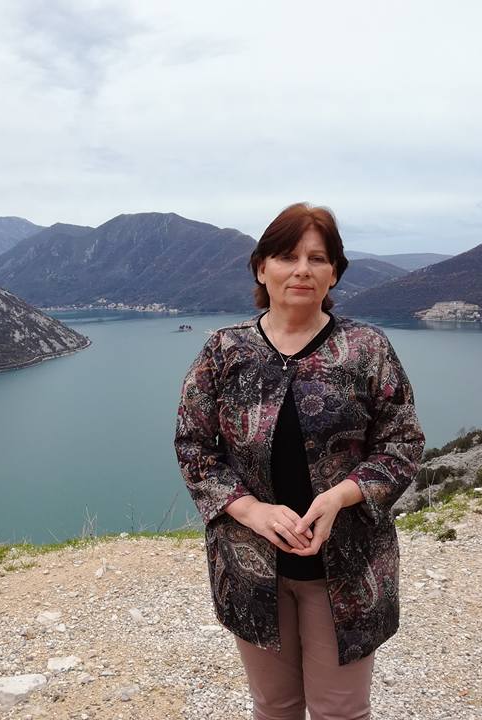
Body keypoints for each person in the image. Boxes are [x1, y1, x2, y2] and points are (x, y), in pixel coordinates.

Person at [175, 202, 425, 720]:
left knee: (341, 711)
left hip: (348, 564)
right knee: (274, 707)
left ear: (335, 273)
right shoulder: (225, 350)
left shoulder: (367, 349)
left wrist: (341, 496)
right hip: (250, 563)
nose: (302, 270)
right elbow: (194, 445)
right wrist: (251, 510)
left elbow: (402, 443)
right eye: (288, 256)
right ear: (261, 268)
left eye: (318, 258)